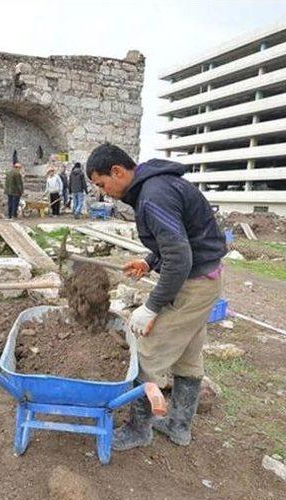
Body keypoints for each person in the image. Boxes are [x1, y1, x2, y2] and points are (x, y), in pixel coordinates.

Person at [86, 143, 226, 450]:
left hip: (194, 282)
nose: (103, 191)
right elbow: (180, 240)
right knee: (188, 353)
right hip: (205, 276)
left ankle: (139, 429)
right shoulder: (157, 185)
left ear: (117, 171)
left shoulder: (153, 196)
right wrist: (149, 261)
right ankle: (178, 426)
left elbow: (179, 258)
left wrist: (150, 307)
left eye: (101, 183)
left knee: (146, 352)